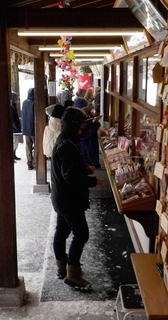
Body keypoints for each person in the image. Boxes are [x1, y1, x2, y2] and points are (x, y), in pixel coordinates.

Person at [50, 107, 104, 291]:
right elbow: (71, 178)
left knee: (62, 232)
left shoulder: (64, 141)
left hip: (61, 197)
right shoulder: (67, 147)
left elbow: (69, 169)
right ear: (73, 126)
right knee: (81, 233)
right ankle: (72, 274)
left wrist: (84, 168)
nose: (82, 129)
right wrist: (92, 181)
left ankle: (62, 267)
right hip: (69, 200)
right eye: (80, 126)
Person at [21, 88, 35, 170]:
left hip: (26, 128)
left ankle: (29, 163)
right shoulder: (34, 103)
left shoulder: (24, 102)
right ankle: (35, 162)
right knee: (36, 146)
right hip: (33, 128)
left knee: (28, 146)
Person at [11, 92, 22, 162]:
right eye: (17, 98)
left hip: (15, 128)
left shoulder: (13, 106)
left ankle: (14, 155)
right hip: (14, 128)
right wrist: (16, 128)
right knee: (14, 142)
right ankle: (12, 156)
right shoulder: (12, 107)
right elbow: (13, 120)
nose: (18, 100)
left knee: (16, 142)